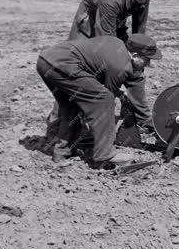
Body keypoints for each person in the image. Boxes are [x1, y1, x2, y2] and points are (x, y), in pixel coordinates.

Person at [46, 0, 162, 131]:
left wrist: (137, 58)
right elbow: (107, 44)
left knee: (135, 70)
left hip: (114, 23)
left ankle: (143, 118)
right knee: (78, 70)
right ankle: (58, 118)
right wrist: (118, 67)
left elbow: (139, 34)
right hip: (87, 26)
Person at [37, 34, 162, 166]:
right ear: (135, 55)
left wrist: (148, 122)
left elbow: (136, 86)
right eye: (147, 59)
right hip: (63, 65)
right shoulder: (119, 65)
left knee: (71, 106)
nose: (149, 64)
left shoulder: (118, 46)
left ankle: (62, 152)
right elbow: (106, 97)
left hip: (45, 61)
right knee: (104, 101)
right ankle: (104, 154)